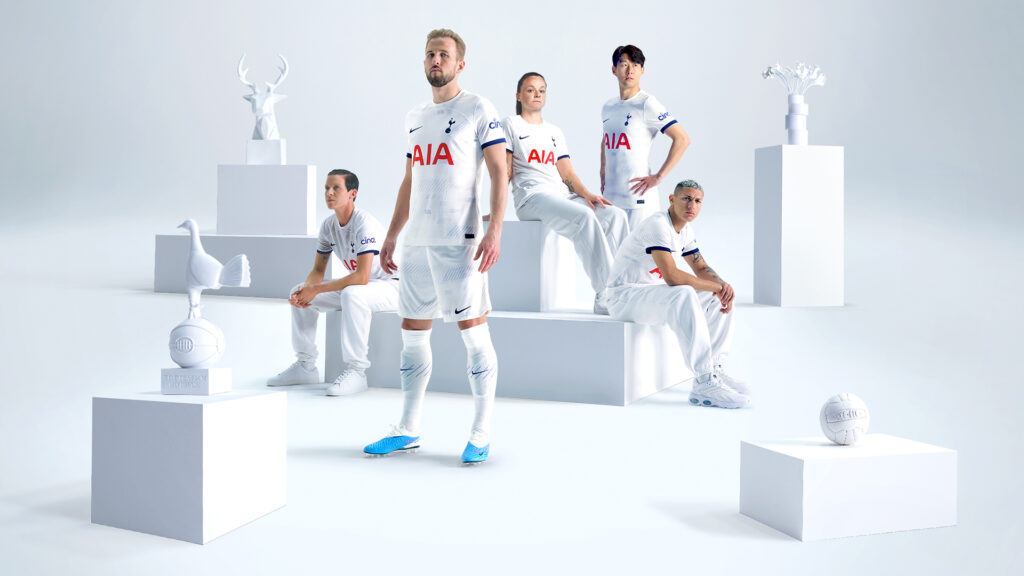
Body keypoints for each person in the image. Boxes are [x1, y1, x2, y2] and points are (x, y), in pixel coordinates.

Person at [363, 29, 508, 464]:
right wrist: (391, 235)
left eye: (444, 54)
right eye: (430, 54)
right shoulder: (415, 116)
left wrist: (495, 229)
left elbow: (500, 171)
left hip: (459, 242)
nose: (435, 60)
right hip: (417, 242)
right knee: (412, 334)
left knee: (474, 334)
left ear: (460, 64)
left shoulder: (478, 108)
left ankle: (481, 433)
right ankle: (408, 430)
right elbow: (410, 179)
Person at [601, 180, 750, 409]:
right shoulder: (658, 225)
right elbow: (671, 276)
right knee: (683, 293)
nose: (692, 205)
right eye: (686, 198)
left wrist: (723, 287)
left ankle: (715, 368)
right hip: (623, 296)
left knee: (715, 297)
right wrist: (716, 287)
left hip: (650, 295)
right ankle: (703, 381)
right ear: (671, 199)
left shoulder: (686, 230)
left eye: (697, 201)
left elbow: (700, 268)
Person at [503, 72, 628, 314]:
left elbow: (567, 174)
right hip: (532, 198)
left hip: (560, 196)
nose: (537, 94)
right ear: (519, 96)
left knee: (614, 216)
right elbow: (504, 172)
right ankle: (606, 295)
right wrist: (495, 210)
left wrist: (587, 195)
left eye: (541, 90)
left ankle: (623, 288)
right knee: (584, 218)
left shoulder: (554, 132)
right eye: (530, 90)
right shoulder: (510, 124)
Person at [267, 169, 399, 396]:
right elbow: (318, 270)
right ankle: (305, 366)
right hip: (362, 287)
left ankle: (357, 371)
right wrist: (306, 291)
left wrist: (315, 289)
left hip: (391, 286)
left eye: (336, 188)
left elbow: (362, 276)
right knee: (298, 289)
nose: (329, 193)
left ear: (352, 193)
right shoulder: (328, 226)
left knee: (352, 294)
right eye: (326, 188)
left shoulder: (364, 224)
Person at [600, 45, 691, 229]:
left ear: (642, 70)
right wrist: (603, 172)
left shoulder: (647, 104)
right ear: (614, 70)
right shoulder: (608, 107)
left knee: (638, 256)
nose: (630, 70)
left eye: (635, 64)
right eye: (624, 64)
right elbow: (607, 139)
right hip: (611, 198)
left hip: (638, 201)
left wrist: (658, 176)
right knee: (611, 257)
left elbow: (682, 139)